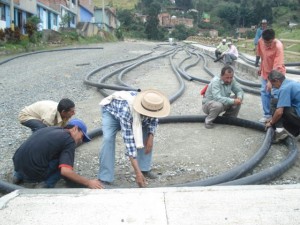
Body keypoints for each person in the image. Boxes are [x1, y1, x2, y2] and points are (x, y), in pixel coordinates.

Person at [98, 89, 170, 188]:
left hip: (134, 115)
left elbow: (153, 120)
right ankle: (104, 177)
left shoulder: (152, 105)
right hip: (112, 113)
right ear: (143, 110)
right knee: (108, 139)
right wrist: (137, 173)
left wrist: (151, 136)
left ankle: (144, 169)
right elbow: (130, 143)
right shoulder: (126, 111)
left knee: (146, 132)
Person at [12, 118, 104, 189]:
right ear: (75, 129)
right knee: (63, 164)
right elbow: (65, 171)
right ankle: (46, 185)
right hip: (33, 173)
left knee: (48, 156)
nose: (81, 140)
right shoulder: (69, 140)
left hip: (17, 164)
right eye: (82, 136)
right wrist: (88, 182)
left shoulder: (52, 129)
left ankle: (18, 176)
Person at [257, 28, 286, 123]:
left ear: (273, 39)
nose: (267, 45)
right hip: (265, 71)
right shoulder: (260, 41)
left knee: (277, 93)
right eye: (265, 42)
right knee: (264, 92)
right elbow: (262, 56)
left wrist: (270, 81)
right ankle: (267, 115)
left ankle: (279, 117)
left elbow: (277, 66)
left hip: (277, 74)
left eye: (269, 43)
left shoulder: (278, 46)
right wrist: (260, 67)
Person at [265, 70, 300, 142]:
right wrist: (273, 118)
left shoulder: (284, 88)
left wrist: (271, 122)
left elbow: (279, 112)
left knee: (275, 103)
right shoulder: (290, 83)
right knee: (280, 107)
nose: (273, 87)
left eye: (273, 84)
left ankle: (279, 131)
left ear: (276, 80)